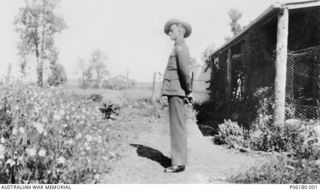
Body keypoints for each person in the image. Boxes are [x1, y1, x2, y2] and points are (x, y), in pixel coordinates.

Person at [160, 18, 193, 173]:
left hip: (177, 90)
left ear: (180, 31)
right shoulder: (177, 47)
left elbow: (184, 71)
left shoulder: (180, 47)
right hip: (174, 90)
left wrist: (189, 90)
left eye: (171, 31)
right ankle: (178, 159)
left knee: (177, 127)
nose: (169, 34)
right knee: (176, 126)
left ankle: (178, 163)